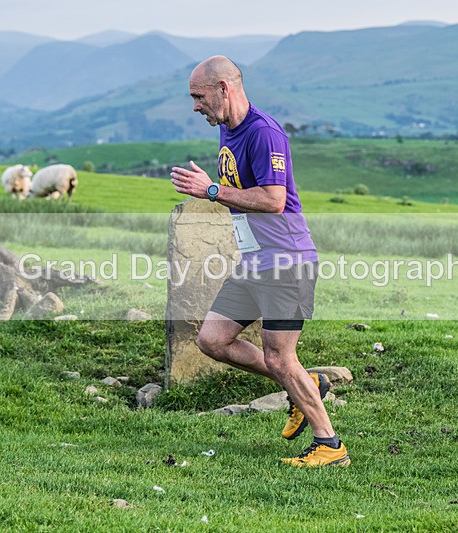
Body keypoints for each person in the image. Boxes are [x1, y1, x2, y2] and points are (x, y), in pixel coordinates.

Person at [170, 56, 350, 467]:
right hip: (254, 263)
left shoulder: (264, 134)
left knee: (280, 357)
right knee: (213, 340)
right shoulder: (228, 131)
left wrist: (211, 190)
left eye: (199, 96)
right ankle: (308, 385)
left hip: (286, 262)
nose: (195, 106)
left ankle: (330, 444)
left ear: (224, 89)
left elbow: (273, 200)